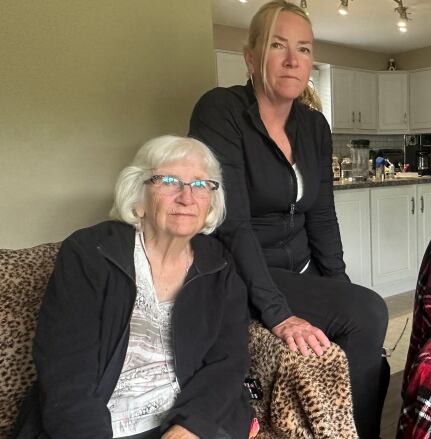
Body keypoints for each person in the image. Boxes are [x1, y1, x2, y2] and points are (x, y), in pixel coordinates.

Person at [188, 1, 389, 437]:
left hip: (298, 267)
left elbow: (322, 215)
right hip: (238, 270)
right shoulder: (221, 111)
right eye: (278, 45)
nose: (293, 59)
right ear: (250, 55)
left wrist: (339, 285)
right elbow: (232, 224)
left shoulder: (313, 124)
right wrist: (278, 314)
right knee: (371, 311)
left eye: (304, 48)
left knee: (365, 324)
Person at [14, 136, 252, 439]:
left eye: (201, 185)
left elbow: (228, 360)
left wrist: (191, 425)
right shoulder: (90, 253)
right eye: (169, 181)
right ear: (138, 197)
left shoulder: (220, 265)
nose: (187, 197)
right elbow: (66, 371)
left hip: (184, 418)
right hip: (95, 423)